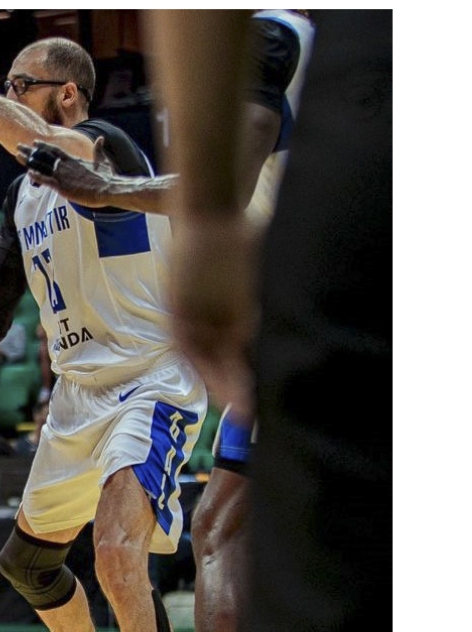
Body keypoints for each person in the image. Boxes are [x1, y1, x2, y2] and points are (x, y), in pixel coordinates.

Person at [0, 12, 207, 632]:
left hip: (150, 379)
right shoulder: (22, 196)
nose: (8, 96)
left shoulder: (106, 147)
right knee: (27, 564)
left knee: (116, 553)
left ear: (68, 93)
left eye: (20, 86)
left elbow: (43, 140)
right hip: (76, 394)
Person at [18, 11, 316, 631]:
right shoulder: (215, 55)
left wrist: (104, 190)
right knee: (219, 529)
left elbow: (222, 191)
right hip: (281, 330)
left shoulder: (268, 34)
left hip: (325, 318)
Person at [146, 10, 391, 632]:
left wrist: (203, 224)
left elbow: (246, 126)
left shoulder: (279, 32)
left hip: (324, 297)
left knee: (232, 530)